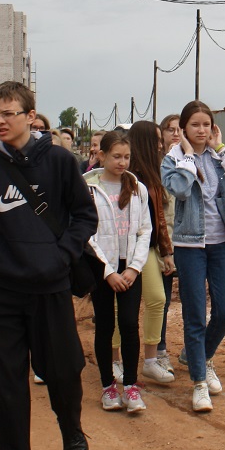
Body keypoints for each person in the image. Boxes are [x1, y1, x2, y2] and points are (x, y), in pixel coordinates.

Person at [0, 81, 97, 450]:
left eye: (8, 113)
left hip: (50, 291)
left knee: (62, 374)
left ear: (29, 115)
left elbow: (84, 216)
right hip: (0, 295)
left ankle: (72, 429)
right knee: (7, 387)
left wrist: (61, 255)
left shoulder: (59, 162)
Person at [161, 101, 225, 413]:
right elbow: (181, 190)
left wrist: (221, 147)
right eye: (194, 125)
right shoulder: (172, 160)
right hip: (189, 247)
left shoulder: (217, 157)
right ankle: (199, 382)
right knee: (195, 315)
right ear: (184, 129)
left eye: (206, 125)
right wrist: (187, 156)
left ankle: (200, 356)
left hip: (221, 244)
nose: (201, 130)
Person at [84, 131, 152, 414]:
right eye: (116, 156)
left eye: (127, 157)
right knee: (104, 326)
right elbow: (87, 233)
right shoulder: (87, 188)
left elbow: (144, 229)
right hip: (102, 270)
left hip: (130, 270)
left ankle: (132, 387)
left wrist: (135, 268)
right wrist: (108, 271)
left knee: (129, 324)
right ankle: (107, 387)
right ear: (102, 155)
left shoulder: (137, 187)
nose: (123, 162)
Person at [114, 120, 174, 385]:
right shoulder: (124, 175)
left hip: (147, 248)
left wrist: (166, 251)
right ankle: (114, 360)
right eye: (158, 140)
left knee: (157, 299)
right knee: (119, 308)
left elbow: (159, 217)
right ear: (147, 142)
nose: (161, 145)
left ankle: (150, 361)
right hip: (120, 250)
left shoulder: (152, 175)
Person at [156, 113, 181, 368]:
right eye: (170, 129)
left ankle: (192, 349)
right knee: (162, 301)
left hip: (188, 242)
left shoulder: (190, 161)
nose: (175, 133)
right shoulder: (155, 165)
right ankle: (160, 350)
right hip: (164, 244)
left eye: (178, 129)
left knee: (193, 301)